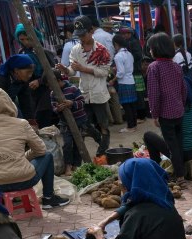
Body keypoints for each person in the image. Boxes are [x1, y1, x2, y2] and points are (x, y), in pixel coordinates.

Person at [0, 87, 70, 208]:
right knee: (47, 155)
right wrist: (22, 157)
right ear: (10, 104)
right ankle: (48, 198)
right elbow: (41, 150)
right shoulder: (21, 123)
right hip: (25, 180)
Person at [57, 16, 112, 159]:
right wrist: (65, 70)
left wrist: (84, 68)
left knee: (103, 124)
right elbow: (72, 71)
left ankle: (103, 151)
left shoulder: (102, 50)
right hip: (84, 93)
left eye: (83, 34)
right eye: (79, 35)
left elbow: (105, 72)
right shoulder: (75, 50)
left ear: (91, 31)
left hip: (99, 92)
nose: (81, 38)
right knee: (85, 124)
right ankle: (101, 143)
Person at [146, 33, 187, 183]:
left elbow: (153, 94)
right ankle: (181, 172)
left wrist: (154, 114)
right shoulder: (176, 66)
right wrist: (180, 104)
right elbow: (184, 90)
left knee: (172, 145)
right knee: (177, 142)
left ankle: (180, 175)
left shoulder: (154, 67)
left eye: (151, 48)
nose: (150, 51)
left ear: (156, 49)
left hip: (165, 114)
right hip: (178, 111)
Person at [143, 73, 192, 167]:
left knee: (148, 136)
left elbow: (169, 136)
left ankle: (157, 168)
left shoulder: (174, 109)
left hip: (184, 153)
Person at [14, 23, 56, 129]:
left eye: (27, 39)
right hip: (29, 91)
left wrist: (39, 81)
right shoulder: (21, 53)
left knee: (43, 117)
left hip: (45, 90)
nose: (25, 42)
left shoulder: (44, 52)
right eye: (22, 39)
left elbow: (52, 71)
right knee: (32, 118)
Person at [50, 69, 89, 176]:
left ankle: (76, 165)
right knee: (67, 144)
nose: (50, 88)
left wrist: (72, 103)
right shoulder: (53, 93)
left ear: (58, 80)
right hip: (64, 123)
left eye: (51, 85)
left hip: (80, 121)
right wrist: (58, 109)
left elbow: (82, 102)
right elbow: (53, 107)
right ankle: (68, 166)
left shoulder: (72, 88)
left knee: (78, 144)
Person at [111, 34, 137, 133]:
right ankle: (133, 125)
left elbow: (121, 73)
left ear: (116, 44)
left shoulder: (118, 56)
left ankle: (130, 127)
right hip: (131, 80)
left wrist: (113, 80)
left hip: (124, 82)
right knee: (132, 105)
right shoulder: (129, 54)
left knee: (126, 106)